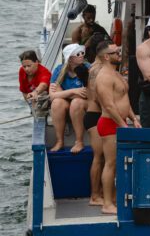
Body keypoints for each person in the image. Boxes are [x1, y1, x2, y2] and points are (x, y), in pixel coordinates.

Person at [96, 43, 140, 215]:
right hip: (109, 124)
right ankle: (106, 204)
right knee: (111, 164)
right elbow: (108, 105)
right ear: (107, 56)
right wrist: (122, 126)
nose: (120, 53)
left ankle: (113, 198)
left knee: (118, 164)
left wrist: (133, 119)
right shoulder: (104, 77)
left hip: (120, 122)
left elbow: (123, 99)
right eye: (116, 52)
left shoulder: (115, 73)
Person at [49, 44, 90, 152]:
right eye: (78, 54)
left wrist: (63, 93)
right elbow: (52, 95)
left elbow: (86, 94)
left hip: (84, 104)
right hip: (67, 104)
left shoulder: (87, 68)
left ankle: (79, 141)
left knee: (76, 102)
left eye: (82, 53)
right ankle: (59, 141)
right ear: (70, 59)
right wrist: (73, 91)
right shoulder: (59, 70)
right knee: (57, 103)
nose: (81, 55)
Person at [84, 40, 111, 206]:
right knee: (99, 157)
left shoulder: (101, 68)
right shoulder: (96, 69)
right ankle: (94, 195)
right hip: (95, 116)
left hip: (100, 116)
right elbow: (96, 96)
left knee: (104, 158)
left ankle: (100, 192)